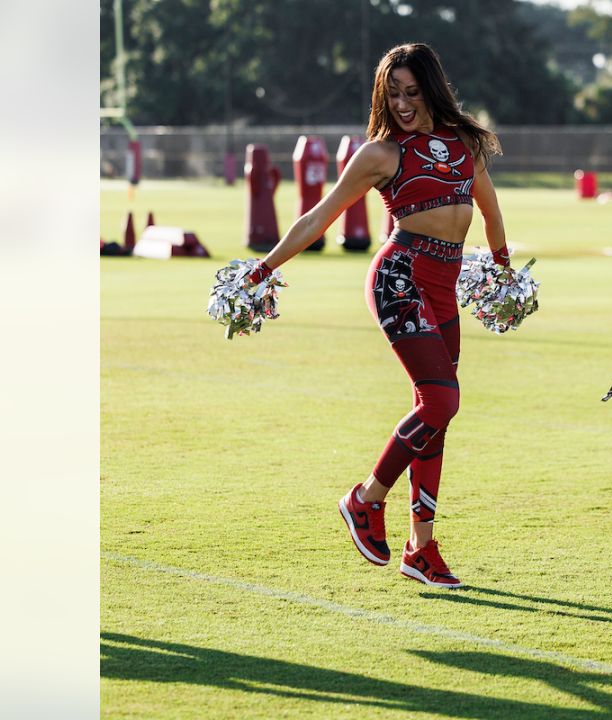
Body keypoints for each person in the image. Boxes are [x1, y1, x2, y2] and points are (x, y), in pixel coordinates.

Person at [246, 43, 509, 588]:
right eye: (392, 94)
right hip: (400, 277)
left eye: (412, 92)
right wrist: (265, 267)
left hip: (444, 285)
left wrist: (504, 266)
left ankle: (422, 549)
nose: (403, 104)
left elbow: (489, 209)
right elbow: (319, 216)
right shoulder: (380, 154)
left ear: (432, 89)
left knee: (435, 415)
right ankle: (365, 499)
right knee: (441, 400)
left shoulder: (466, 145)